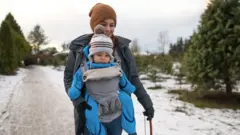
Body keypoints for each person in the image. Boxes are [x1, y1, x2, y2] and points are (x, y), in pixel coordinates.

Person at [63, 3, 154, 135]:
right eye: (104, 24)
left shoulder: (122, 49)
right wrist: (78, 102)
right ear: (94, 25)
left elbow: (133, 78)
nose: (108, 29)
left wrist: (147, 103)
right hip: (89, 111)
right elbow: (69, 77)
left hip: (115, 112)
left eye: (112, 25)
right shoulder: (78, 48)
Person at [68, 24, 137, 135]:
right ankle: (99, 132)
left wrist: (129, 89)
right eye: (99, 54)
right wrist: (74, 93)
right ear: (92, 55)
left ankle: (131, 130)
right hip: (94, 98)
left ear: (110, 56)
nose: (103, 57)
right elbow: (76, 83)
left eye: (106, 55)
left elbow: (123, 81)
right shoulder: (85, 68)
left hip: (114, 95)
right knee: (90, 113)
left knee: (127, 101)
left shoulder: (115, 68)